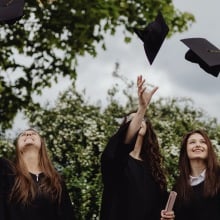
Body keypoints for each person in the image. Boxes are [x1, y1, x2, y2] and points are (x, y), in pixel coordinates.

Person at [100, 75, 174, 220]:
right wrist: (141, 109)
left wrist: (165, 214)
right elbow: (121, 148)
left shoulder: (153, 169)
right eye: (132, 120)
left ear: (147, 129)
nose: (137, 121)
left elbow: (158, 206)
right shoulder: (116, 161)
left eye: (141, 119)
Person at [4, 128, 75, 220]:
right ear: (17, 146)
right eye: (23, 135)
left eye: (33, 133)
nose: (28, 134)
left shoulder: (56, 181)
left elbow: (67, 215)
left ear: (42, 144)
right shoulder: (6, 173)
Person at [162, 129, 220, 220]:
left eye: (203, 142)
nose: (198, 145)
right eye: (192, 142)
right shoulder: (178, 188)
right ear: (185, 150)